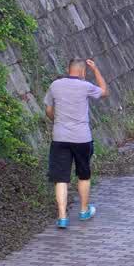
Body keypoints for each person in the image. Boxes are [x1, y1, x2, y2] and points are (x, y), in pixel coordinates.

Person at [44, 58, 108, 228]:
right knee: (83, 175)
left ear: (68, 69)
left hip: (60, 138)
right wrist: (95, 69)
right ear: (82, 72)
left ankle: (63, 217)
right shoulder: (85, 86)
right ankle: (84, 210)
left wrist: (57, 121)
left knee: (61, 179)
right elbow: (104, 91)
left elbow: (49, 110)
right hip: (82, 139)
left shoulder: (55, 85)